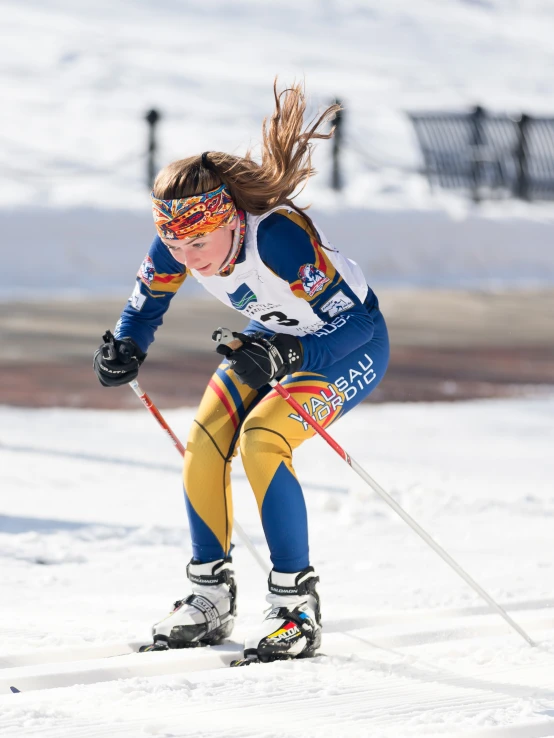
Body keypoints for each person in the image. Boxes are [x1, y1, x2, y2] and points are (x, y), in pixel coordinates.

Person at [93, 81, 390, 663]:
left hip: (345, 347)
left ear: (231, 221)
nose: (187, 257)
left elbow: (352, 325)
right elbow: (145, 306)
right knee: (203, 442)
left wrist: (289, 356)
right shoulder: (175, 241)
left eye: (199, 243)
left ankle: (295, 606)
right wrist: (125, 346)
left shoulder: (277, 240)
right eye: (174, 244)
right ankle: (209, 597)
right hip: (276, 340)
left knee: (262, 441)